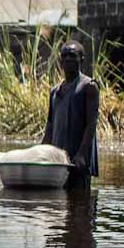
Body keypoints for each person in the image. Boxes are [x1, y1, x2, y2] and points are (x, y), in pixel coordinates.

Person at [42, 41, 100, 189]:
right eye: (64, 56)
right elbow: (50, 125)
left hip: (77, 161)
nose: (68, 59)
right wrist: (40, 152)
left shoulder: (89, 86)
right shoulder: (55, 91)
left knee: (80, 204)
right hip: (58, 162)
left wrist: (81, 154)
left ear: (82, 59)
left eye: (73, 55)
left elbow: (91, 124)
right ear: (60, 61)